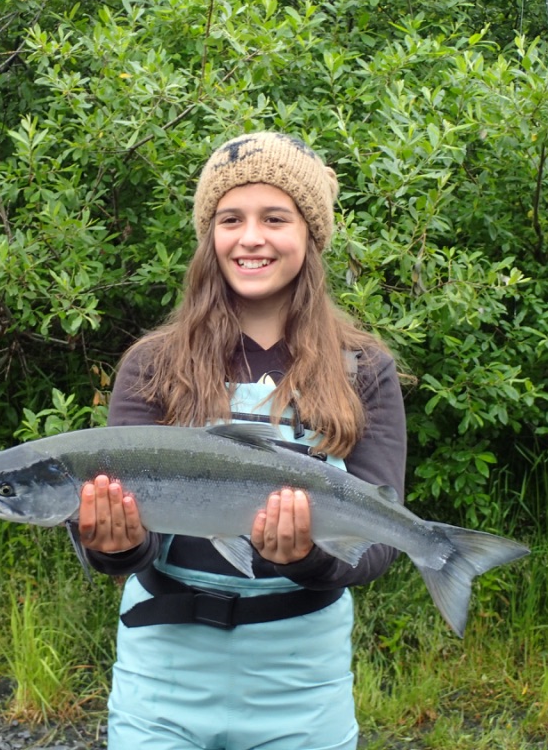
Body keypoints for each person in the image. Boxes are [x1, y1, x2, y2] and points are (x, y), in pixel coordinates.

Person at [77, 131, 408, 750]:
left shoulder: (364, 367)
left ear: (310, 236)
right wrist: (113, 547)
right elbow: (122, 543)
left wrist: (308, 557)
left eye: (275, 218)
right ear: (210, 237)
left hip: (302, 680)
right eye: (230, 218)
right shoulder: (151, 364)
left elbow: (379, 544)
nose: (251, 237)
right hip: (162, 674)